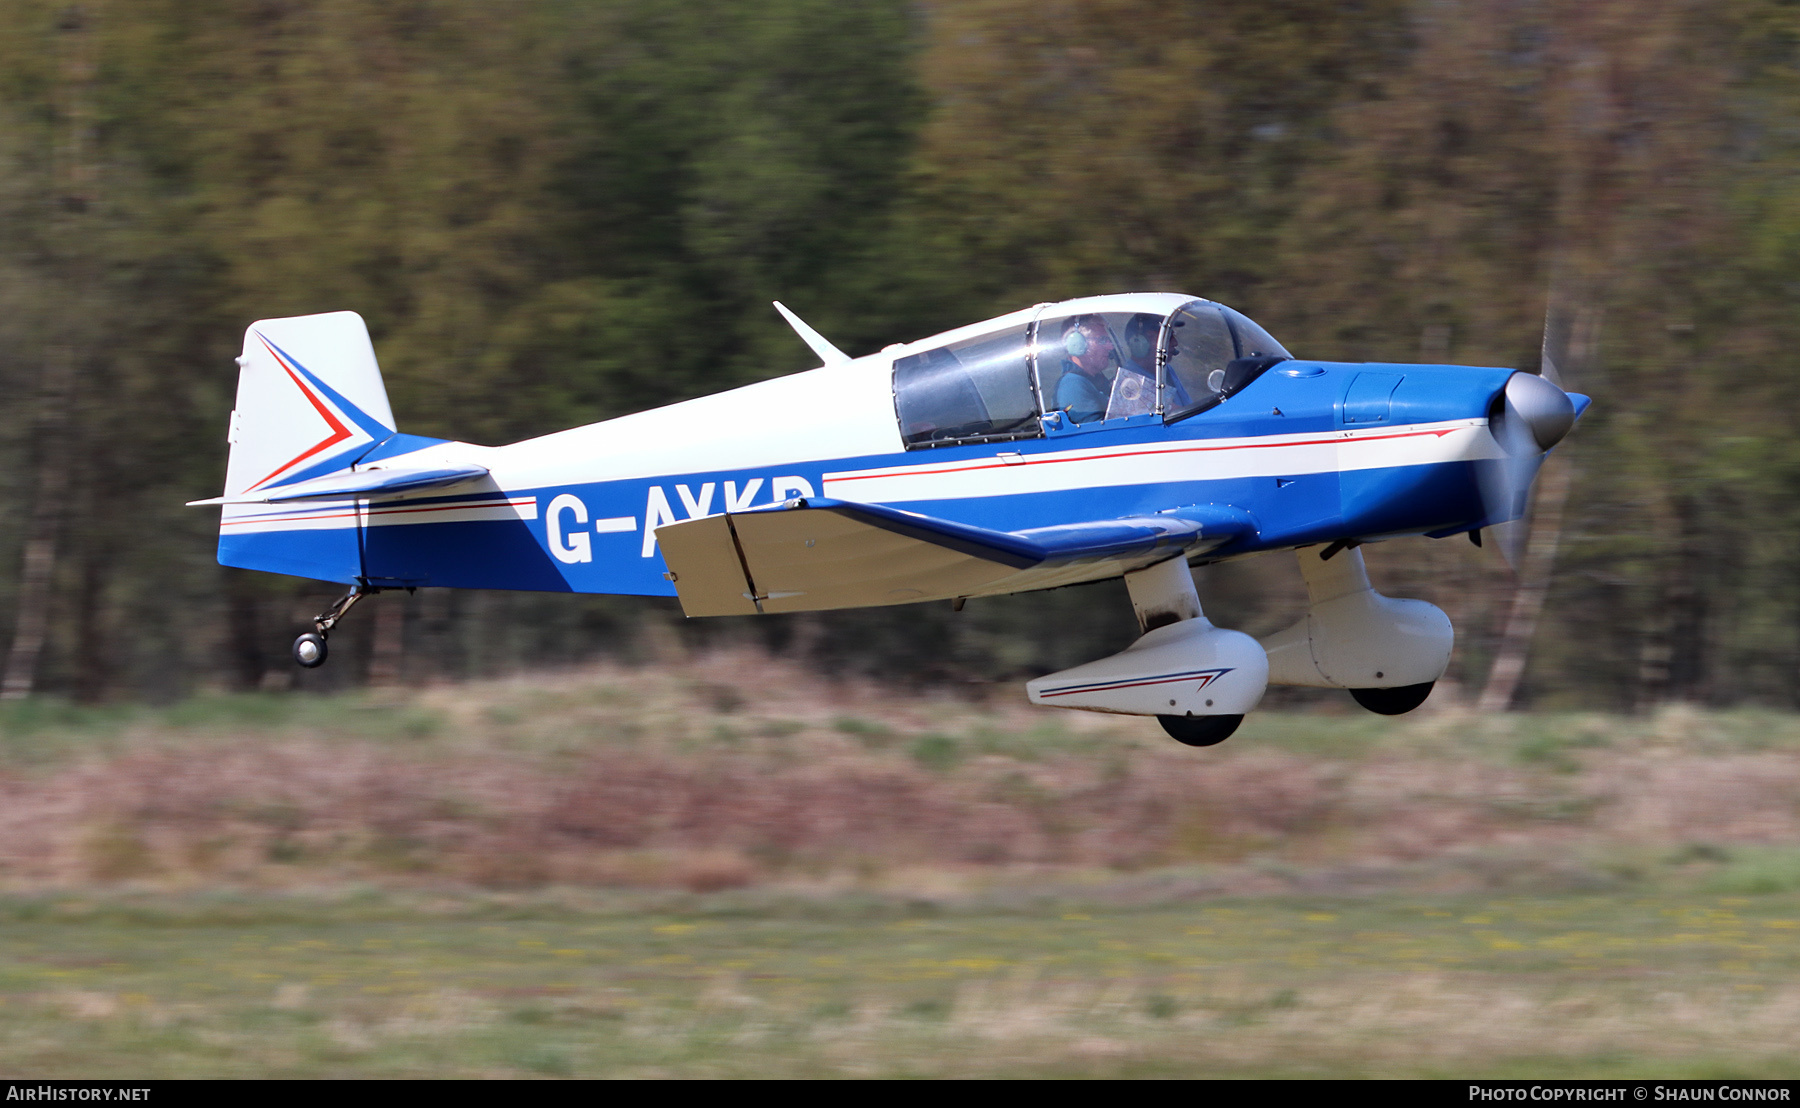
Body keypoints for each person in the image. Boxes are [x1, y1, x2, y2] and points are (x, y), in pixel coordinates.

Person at [1053, 315, 1116, 424]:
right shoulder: (1073, 385)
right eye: (1102, 340)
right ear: (1078, 345)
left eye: (1108, 340)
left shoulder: (1095, 379)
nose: (1110, 347)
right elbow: (1100, 433)